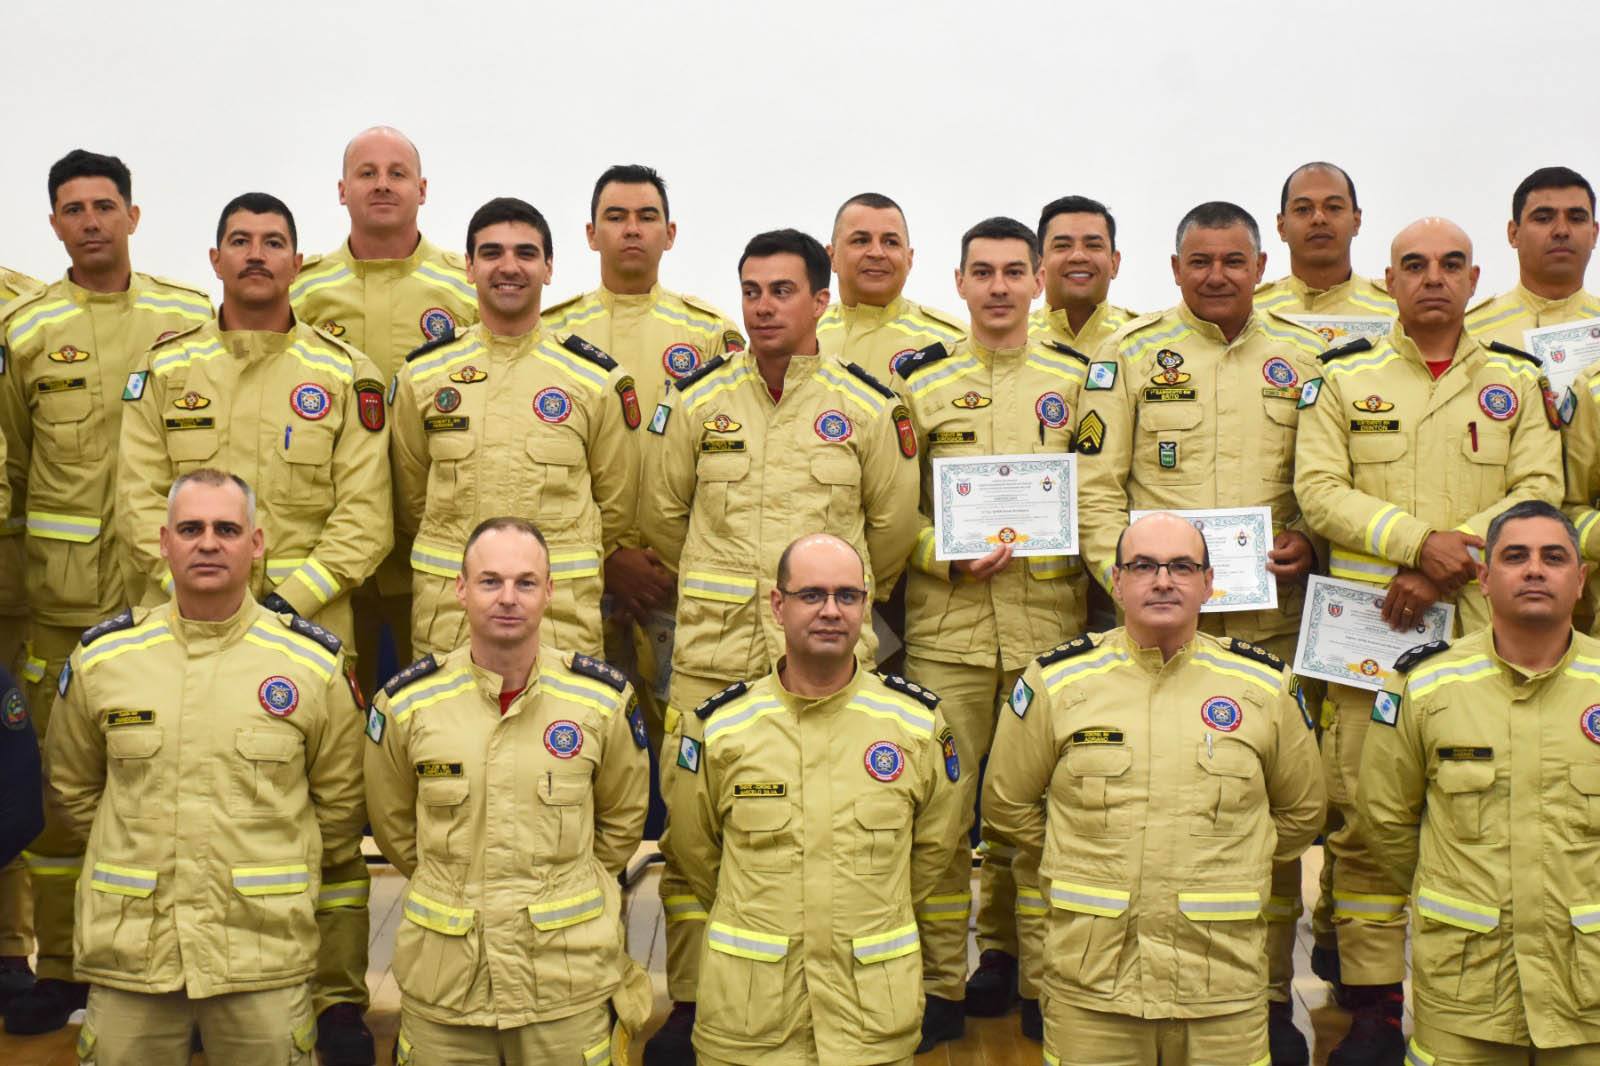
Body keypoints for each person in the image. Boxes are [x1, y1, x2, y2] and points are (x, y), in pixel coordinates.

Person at [114, 191, 392, 1063]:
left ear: (298, 261)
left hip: (310, 639)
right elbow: (136, 508)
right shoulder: (165, 374)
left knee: (327, 818)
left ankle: (338, 997)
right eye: (241, 241)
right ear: (215, 258)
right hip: (181, 635)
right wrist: (202, 593)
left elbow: (365, 520)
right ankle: (203, 989)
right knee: (198, 802)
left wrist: (277, 608)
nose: (257, 255)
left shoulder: (345, 375)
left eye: (275, 242)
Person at [637, 229, 920, 1062]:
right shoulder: (696, 403)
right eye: (752, 291)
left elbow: (891, 528)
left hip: (829, 657)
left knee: (829, 826)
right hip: (714, 652)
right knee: (696, 834)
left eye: (783, 291)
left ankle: (832, 1006)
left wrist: (829, 602)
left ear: (822, 301)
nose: (764, 307)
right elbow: (662, 515)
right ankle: (696, 998)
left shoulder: (868, 406)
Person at [1295, 217, 1564, 1065]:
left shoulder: (1516, 381)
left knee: (1477, 811)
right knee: (1369, 822)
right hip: (1371, 633)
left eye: (1451, 265)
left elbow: (1539, 488)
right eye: (1415, 266)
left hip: (1483, 630)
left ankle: (1476, 986)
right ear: (1390, 279)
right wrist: (1417, 544)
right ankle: (1376, 1006)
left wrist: (1445, 559)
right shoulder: (1342, 378)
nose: (1433, 279)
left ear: (1476, 278)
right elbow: (1318, 490)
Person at [1072, 200, 1325, 1062]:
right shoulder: (1128, 356)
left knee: (1253, 805)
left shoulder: (1309, 356)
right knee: (1148, 802)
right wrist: (1134, 576)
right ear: (1175, 269)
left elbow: (1328, 478)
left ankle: (1263, 995)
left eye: (1233, 260)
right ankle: (1129, 985)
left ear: (1261, 266)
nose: (1217, 275)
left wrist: (1312, 539)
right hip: (1155, 633)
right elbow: (1096, 488)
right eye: (1199, 262)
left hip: (1270, 623)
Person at [41, 468, 365, 1065]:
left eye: (226, 528)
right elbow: (71, 788)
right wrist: (140, 851)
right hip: (133, 958)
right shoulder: (104, 659)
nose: (208, 542)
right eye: (190, 528)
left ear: (256, 543)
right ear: (164, 543)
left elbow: (341, 810)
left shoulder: (309, 665)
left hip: (260, 957)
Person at [983, 511, 1324, 1066]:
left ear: (1209, 583)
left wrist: (1232, 862)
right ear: (1115, 582)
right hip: (1091, 980)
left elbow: (1301, 811)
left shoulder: (1265, 686)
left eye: (1182, 567)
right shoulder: (1055, 682)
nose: (1163, 580)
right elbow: (1007, 803)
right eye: (1143, 566)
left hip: (1223, 980)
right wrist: (1089, 857)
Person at [0, 149, 212, 1036]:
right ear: (53, 223)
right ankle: (63, 964)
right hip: (63, 599)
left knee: (178, 776)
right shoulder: (27, 331)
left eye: (104, 205)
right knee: (60, 787)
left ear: (133, 215)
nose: (89, 221)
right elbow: (11, 468)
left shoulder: (189, 316)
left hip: (170, 597)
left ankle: (184, 963)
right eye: (72, 208)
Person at [661, 533, 964, 1066]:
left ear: (866, 607)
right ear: (778, 606)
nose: (831, 610)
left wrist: (868, 909)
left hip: (869, 1018)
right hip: (751, 1023)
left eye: (847, 596)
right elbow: (694, 851)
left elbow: (933, 853)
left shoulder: (916, 725)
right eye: (812, 595)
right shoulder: (719, 729)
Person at [894, 216, 1087, 1049]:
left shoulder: (1082, 383)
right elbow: (890, 511)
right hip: (951, 635)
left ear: (1039, 280)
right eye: (985, 272)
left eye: (1016, 271)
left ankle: (1035, 976)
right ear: (960, 284)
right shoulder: (919, 386)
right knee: (942, 821)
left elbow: (1107, 490)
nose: (1001, 287)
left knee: (1041, 818)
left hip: (1050, 627)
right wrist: (944, 554)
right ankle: (941, 981)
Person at [365, 516, 650, 1064]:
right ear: (461, 590)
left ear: (549, 592)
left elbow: (619, 826)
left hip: (564, 986)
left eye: (524, 583)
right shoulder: (406, 707)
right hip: (447, 988)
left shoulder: (600, 703)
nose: (507, 598)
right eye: (490, 581)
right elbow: (397, 831)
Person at [1359, 500, 1600, 1063]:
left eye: (1554, 557)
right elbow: (1385, 819)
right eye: (1515, 557)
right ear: (1485, 580)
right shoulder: (1423, 684)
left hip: (1588, 989)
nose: (1535, 569)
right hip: (1468, 992)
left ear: (1581, 579)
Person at [390, 196, 637, 663]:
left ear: (548, 268)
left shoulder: (594, 379)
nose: (509, 267)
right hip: (450, 618)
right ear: (468, 267)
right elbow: (410, 500)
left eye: (525, 253)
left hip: (560, 620)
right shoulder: (423, 376)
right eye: (492, 253)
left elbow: (616, 507)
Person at [542, 165, 743, 738]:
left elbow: (730, 459)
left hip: (681, 583)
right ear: (590, 233)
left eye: (646, 217)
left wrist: (669, 566)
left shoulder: (711, 336)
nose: (632, 229)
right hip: (579, 580)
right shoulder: (554, 334)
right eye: (616, 216)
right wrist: (608, 559)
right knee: (580, 745)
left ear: (670, 233)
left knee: (689, 748)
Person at [290, 125, 479, 700]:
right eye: (366, 173)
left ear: (422, 189)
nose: (382, 185)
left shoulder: (464, 286)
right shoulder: (302, 290)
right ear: (341, 190)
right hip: (327, 541)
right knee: (336, 707)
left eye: (397, 173)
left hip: (434, 545)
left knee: (433, 702)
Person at [818, 192, 964, 382]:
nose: (877, 253)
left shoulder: (952, 343)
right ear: (832, 256)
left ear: (909, 259)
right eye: (861, 240)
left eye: (890, 242)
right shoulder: (798, 335)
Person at [1466, 166, 1599, 350]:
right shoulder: (1469, 334)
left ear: (1594, 234)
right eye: (1544, 218)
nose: (1561, 231)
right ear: (1514, 234)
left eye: (1576, 218)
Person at [1254, 162, 1396, 329]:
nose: (1319, 218)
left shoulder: (1396, 308)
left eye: (1334, 207)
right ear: (1281, 227)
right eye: (1302, 209)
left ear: (1356, 221)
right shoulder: (1251, 311)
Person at [1027, 195, 1136, 351]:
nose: (1078, 256)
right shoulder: (1010, 339)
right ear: (1038, 265)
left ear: (1114, 263)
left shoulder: (1144, 339)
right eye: (1063, 246)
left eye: (1093, 245)